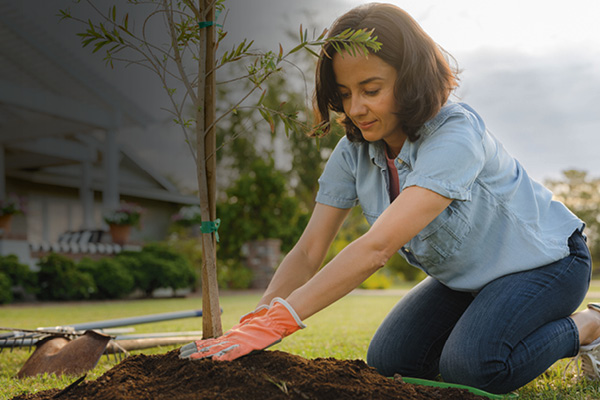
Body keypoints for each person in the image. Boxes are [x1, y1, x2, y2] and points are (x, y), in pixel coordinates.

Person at [180, 2, 599, 394]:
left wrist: (282, 321)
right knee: (391, 362)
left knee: (472, 367)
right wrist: (257, 321)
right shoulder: (355, 150)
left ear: (410, 78)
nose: (356, 108)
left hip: (547, 265)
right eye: (344, 94)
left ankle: (588, 327)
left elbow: (377, 247)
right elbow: (309, 250)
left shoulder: (456, 134)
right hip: (468, 281)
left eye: (371, 89)